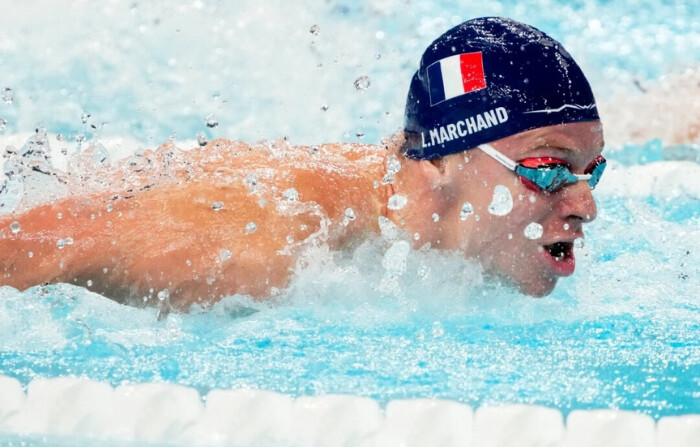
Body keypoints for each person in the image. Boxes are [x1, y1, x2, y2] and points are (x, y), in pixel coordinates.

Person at [0, 17, 605, 309]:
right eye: (548, 168)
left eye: (591, 171)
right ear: (440, 160)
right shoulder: (252, 243)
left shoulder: (416, 231)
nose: (585, 206)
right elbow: (26, 245)